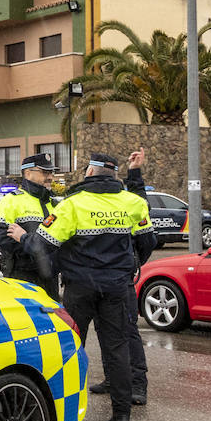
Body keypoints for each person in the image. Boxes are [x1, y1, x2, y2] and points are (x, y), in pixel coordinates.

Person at [10, 153, 156, 421]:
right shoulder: (133, 203)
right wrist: (126, 266)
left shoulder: (71, 205)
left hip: (80, 288)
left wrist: (22, 238)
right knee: (118, 349)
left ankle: (61, 414)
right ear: (114, 175)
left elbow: (42, 244)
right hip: (117, 287)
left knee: (69, 346)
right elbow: (148, 242)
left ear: (90, 171)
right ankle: (122, 417)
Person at [87, 148, 153, 404]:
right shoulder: (94, 200)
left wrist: (132, 263)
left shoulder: (125, 199)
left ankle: (137, 384)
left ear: (91, 172)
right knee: (106, 330)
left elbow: (146, 237)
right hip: (101, 279)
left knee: (126, 331)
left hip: (119, 279)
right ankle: (113, 378)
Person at [0, 152, 60, 297]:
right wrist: (32, 251)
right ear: (27, 173)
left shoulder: (54, 203)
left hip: (50, 277)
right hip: (23, 275)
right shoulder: (12, 200)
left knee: (51, 318)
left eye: (51, 172)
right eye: (44, 172)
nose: (50, 177)